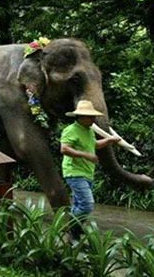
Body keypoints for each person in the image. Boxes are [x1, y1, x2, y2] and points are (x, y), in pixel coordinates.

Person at [61, 100, 120, 239]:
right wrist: (86, 155)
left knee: (78, 205)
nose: (93, 119)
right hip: (74, 172)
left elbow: (94, 145)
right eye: (90, 116)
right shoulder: (70, 130)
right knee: (87, 204)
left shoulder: (88, 131)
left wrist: (110, 140)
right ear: (81, 116)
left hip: (87, 172)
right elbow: (64, 149)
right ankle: (72, 228)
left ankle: (73, 234)